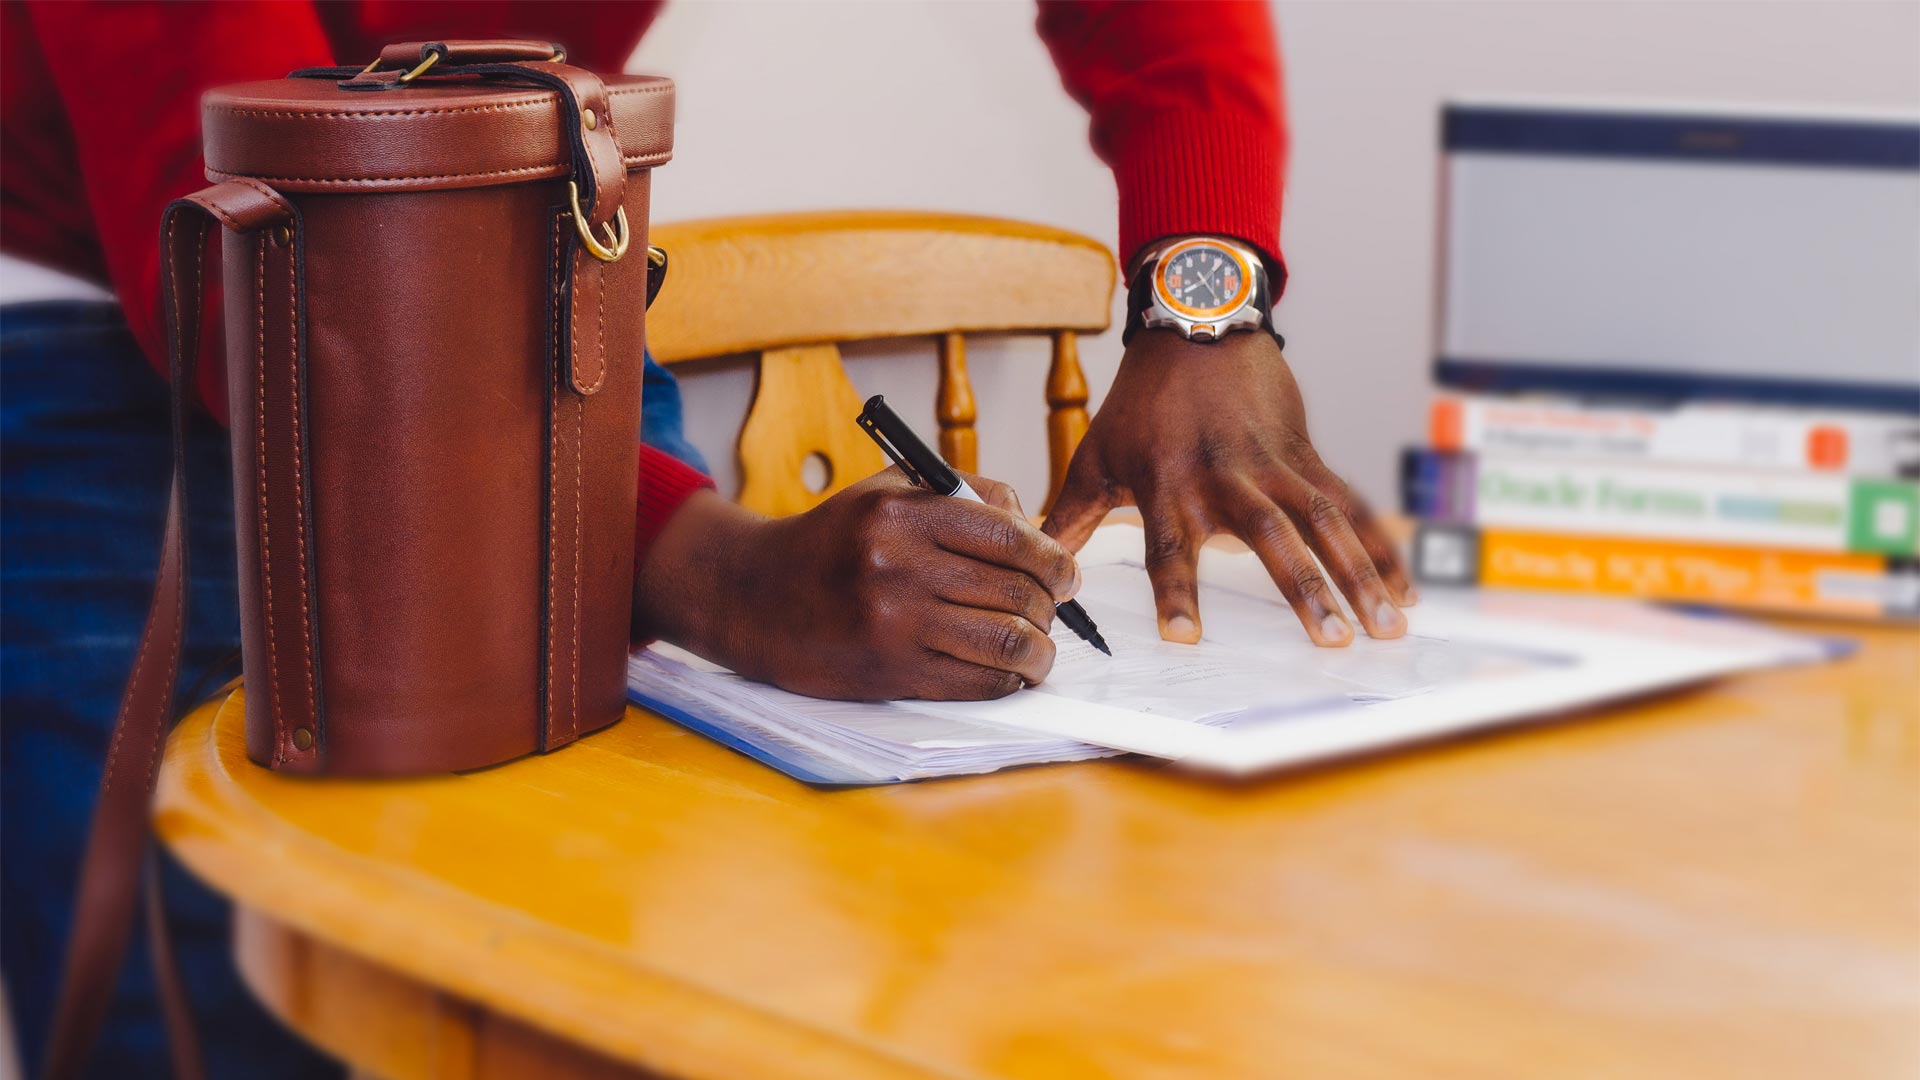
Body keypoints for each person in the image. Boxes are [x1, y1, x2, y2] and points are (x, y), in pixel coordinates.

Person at [2, 1, 1410, 1074]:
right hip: (93, 289)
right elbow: (230, 236)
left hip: (497, 248)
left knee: (612, 922)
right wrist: (725, 570)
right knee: (210, 983)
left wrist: (1202, 299)